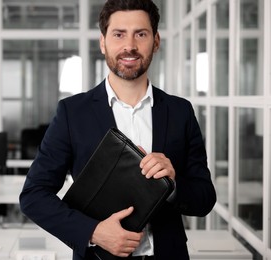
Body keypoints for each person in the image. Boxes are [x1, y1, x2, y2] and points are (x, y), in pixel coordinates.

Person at [19, 0, 217, 259]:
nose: (130, 46)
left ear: (156, 41)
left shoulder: (180, 112)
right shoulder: (72, 113)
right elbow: (34, 196)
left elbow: (205, 198)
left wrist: (173, 184)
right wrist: (94, 231)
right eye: (119, 34)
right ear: (103, 42)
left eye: (141, 34)